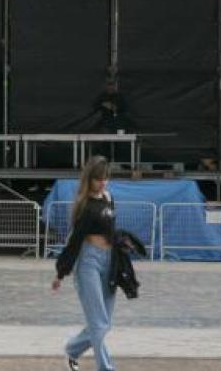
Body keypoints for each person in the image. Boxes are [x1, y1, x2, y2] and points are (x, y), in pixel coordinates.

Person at [51, 155, 146, 371]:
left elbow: (110, 228)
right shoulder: (85, 206)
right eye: (98, 178)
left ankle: (72, 350)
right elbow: (74, 242)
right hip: (88, 262)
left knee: (104, 323)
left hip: (109, 261)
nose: (103, 182)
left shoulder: (109, 197)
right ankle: (105, 368)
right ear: (89, 180)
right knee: (99, 322)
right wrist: (61, 273)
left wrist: (121, 241)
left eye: (105, 177)